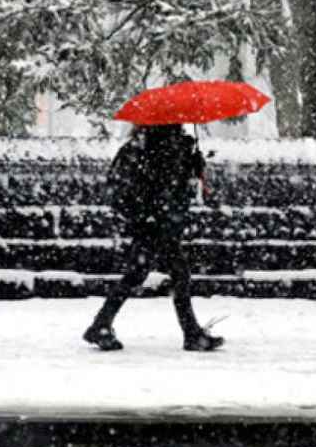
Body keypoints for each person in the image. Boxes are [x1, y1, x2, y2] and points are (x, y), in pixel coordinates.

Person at [83, 124, 224, 352]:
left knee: (140, 274)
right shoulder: (155, 148)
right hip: (156, 223)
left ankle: (101, 324)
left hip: (155, 222)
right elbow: (161, 186)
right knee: (176, 274)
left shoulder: (156, 147)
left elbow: (173, 186)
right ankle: (191, 334)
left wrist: (194, 164)